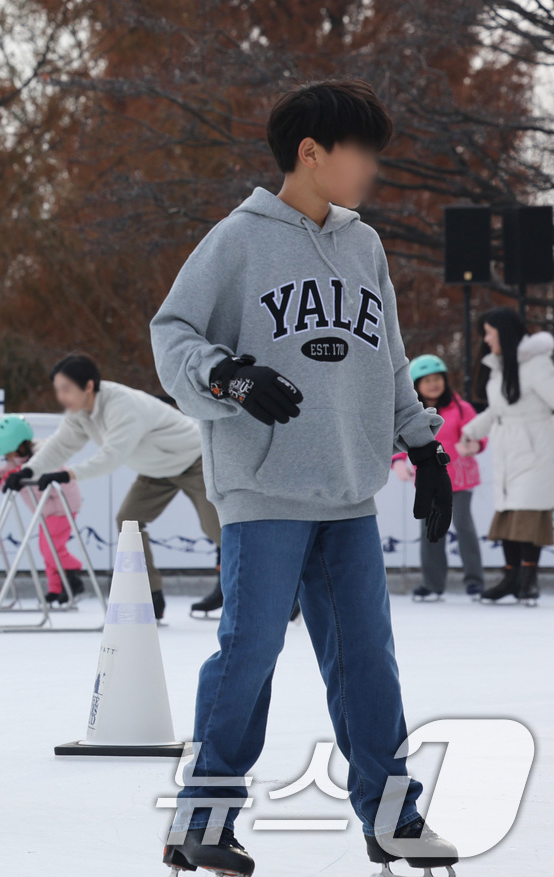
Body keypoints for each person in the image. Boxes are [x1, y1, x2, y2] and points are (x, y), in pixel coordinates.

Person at [150, 79, 458, 876]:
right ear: (311, 152)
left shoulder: (365, 244)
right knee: (248, 653)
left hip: (350, 491)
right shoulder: (238, 239)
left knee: (367, 660)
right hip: (264, 491)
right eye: (361, 152)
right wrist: (231, 379)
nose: (371, 169)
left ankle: (392, 817)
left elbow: (389, 359)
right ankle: (202, 820)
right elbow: (173, 332)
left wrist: (423, 448)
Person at [3, 354, 221, 620]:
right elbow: (60, 445)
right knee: (129, 520)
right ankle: (151, 597)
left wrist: (69, 474)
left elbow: (112, 457)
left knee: (217, 530)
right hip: (156, 472)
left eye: (66, 389)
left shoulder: (122, 406)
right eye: (58, 390)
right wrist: (28, 470)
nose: (61, 397)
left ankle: (247, 586)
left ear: (89, 387)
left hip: (194, 461)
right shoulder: (79, 413)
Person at [459, 309, 554, 604]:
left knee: (526, 517)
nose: (486, 340)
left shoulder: (537, 365)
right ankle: (511, 578)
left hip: (535, 453)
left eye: (489, 332)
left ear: (505, 332)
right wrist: (471, 431)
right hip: (507, 452)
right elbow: (497, 410)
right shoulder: (501, 367)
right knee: (508, 516)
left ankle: (528, 580)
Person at [390, 354, 487, 600]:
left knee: (463, 526)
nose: (433, 384)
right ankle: (433, 584)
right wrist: (398, 462)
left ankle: (475, 581)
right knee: (431, 529)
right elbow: (401, 441)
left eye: (437, 379)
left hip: (460, 480)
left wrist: (474, 444)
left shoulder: (461, 407)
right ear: (416, 386)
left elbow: (478, 433)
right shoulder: (413, 413)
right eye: (426, 380)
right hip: (430, 482)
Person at [0, 414, 85, 604]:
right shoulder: (15, 461)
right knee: (46, 549)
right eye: (6, 456)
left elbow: (43, 470)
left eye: (9, 454)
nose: (8, 458)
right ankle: (56, 588)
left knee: (51, 549)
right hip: (46, 511)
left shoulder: (44, 453)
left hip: (62, 506)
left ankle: (74, 573)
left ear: (20, 445)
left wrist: (18, 474)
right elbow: (8, 471)